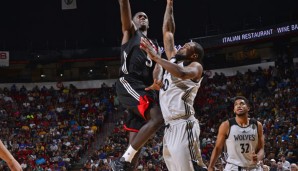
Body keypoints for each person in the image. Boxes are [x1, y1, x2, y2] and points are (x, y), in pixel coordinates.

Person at [139, 0, 207, 170]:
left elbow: (182, 74)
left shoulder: (195, 67)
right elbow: (168, 31)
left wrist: (156, 58)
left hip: (184, 125)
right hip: (169, 129)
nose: (183, 45)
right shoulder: (172, 60)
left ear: (194, 56)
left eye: (188, 47)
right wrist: (170, 4)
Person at [110, 0, 164, 170]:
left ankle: (124, 163)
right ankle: (121, 161)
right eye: (139, 16)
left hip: (145, 88)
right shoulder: (131, 33)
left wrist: (157, 78)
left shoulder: (154, 44)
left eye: (145, 17)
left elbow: (156, 71)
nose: (142, 17)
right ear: (133, 22)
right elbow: (125, 11)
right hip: (129, 82)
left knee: (134, 152)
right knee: (158, 118)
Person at [207, 96, 265, 171]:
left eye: (242, 104)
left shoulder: (257, 125)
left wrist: (258, 157)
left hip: (253, 168)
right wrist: (211, 166)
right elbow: (218, 148)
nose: (239, 106)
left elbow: (261, 149)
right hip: (233, 167)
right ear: (234, 110)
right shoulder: (226, 125)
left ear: (248, 108)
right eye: (236, 104)